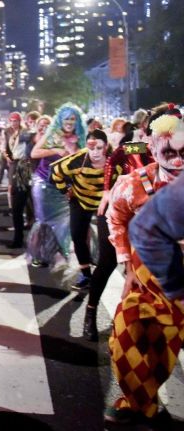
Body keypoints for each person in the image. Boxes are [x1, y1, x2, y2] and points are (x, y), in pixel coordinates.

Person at [104, 121, 184, 426]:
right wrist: (125, 263)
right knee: (125, 339)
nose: (177, 158)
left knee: (166, 344)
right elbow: (116, 219)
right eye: (169, 151)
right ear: (152, 148)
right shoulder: (132, 182)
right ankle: (137, 400)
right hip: (143, 277)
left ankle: (143, 402)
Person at [50, 130, 120, 293]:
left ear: (106, 146)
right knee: (77, 236)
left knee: (108, 241)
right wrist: (66, 190)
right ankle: (86, 276)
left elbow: (141, 148)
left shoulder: (116, 157)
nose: (95, 153)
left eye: (99, 148)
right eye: (91, 148)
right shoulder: (76, 160)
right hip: (80, 200)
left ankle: (102, 270)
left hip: (104, 202)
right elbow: (55, 173)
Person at [28, 103, 86, 267]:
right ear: (60, 119)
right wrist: (56, 150)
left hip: (66, 187)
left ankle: (60, 248)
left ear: (77, 121)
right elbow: (34, 153)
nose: (69, 122)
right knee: (43, 220)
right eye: (66, 118)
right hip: (45, 183)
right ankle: (39, 253)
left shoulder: (80, 137)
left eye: (73, 119)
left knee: (64, 221)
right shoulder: (52, 134)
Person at [3, 112, 35, 249]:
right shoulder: (10, 133)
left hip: (28, 168)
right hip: (16, 166)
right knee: (17, 205)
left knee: (34, 205)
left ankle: (35, 239)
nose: (13, 122)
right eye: (11, 120)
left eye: (16, 120)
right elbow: (7, 149)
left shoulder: (26, 133)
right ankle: (18, 238)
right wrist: (6, 155)